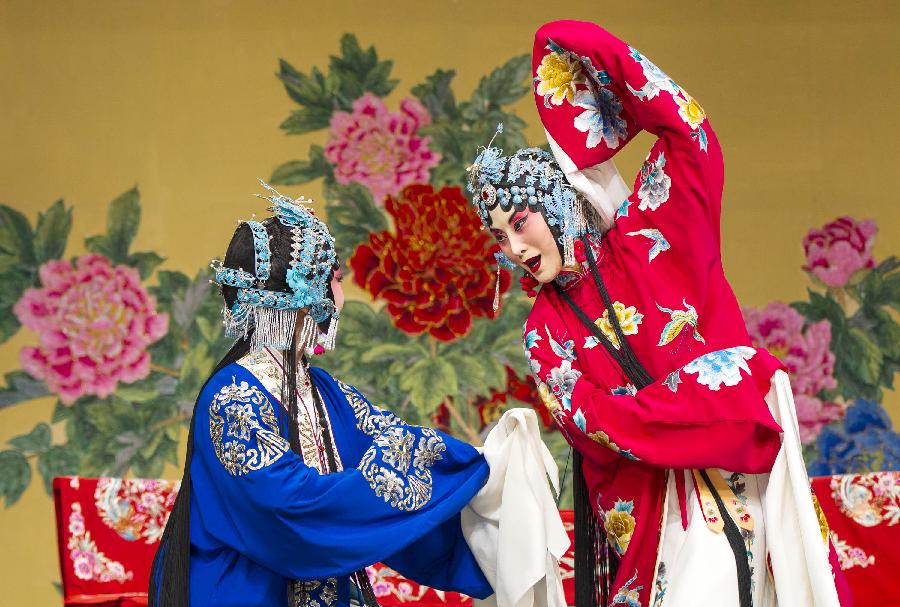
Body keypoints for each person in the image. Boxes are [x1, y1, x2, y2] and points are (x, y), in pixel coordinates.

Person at [467, 20, 850, 607]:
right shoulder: (543, 330)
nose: (515, 249)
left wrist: (590, 64)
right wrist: (713, 391)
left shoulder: (650, 235)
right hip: (659, 499)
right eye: (501, 237)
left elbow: (689, 135)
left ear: (556, 203)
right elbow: (591, 422)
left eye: (521, 223)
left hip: (740, 469)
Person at [149, 182, 493, 607]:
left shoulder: (319, 387)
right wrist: (455, 470)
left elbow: (388, 437)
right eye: (336, 279)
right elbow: (291, 507)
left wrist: (481, 465)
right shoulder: (232, 397)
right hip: (245, 592)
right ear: (308, 296)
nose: (342, 295)